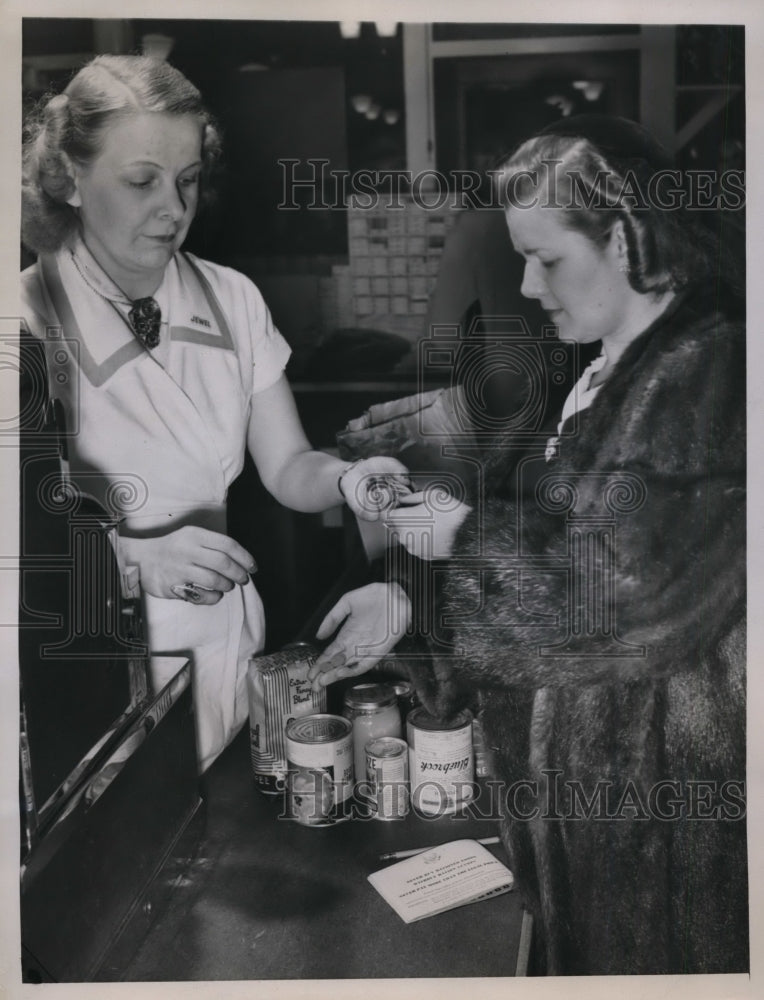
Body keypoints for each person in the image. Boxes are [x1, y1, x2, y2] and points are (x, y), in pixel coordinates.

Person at [309, 115, 747, 975]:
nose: (527, 284)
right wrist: (408, 598)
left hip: (660, 825)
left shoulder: (710, 369)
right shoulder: (607, 367)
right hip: (595, 819)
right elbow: (553, 552)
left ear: (625, 237)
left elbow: (618, 599)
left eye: (545, 258)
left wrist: (461, 539)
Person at [20, 54, 408, 773]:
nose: (174, 208)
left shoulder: (232, 299)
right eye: (142, 182)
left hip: (228, 639)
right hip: (91, 663)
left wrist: (350, 480)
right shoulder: (23, 322)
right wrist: (131, 559)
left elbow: (288, 466)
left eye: (188, 179)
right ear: (69, 178)